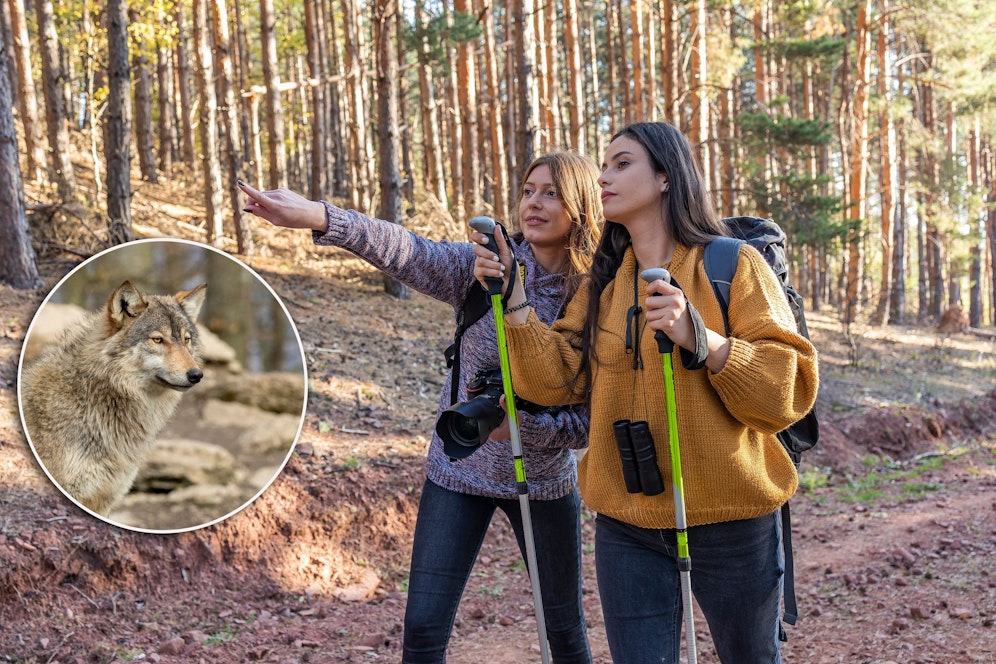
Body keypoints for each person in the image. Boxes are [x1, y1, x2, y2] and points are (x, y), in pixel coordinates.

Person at [473, 122, 819, 664]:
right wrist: (513, 297)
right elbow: (553, 380)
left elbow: (785, 391)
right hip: (626, 522)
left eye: (621, 163)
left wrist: (699, 339)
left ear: (664, 176)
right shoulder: (604, 283)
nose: (604, 176)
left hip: (732, 517)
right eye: (604, 165)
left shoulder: (732, 265)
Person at [238, 151, 602, 663]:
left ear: (582, 207)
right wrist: (319, 216)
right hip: (457, 469)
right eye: (528, 190)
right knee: (424, 632)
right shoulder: (480, 270)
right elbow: (403, 249)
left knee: (563, 630)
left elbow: (588, 421)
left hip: (541, 481)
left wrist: (526, 428)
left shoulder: (593, 298)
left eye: (551, 193)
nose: (534, 203)